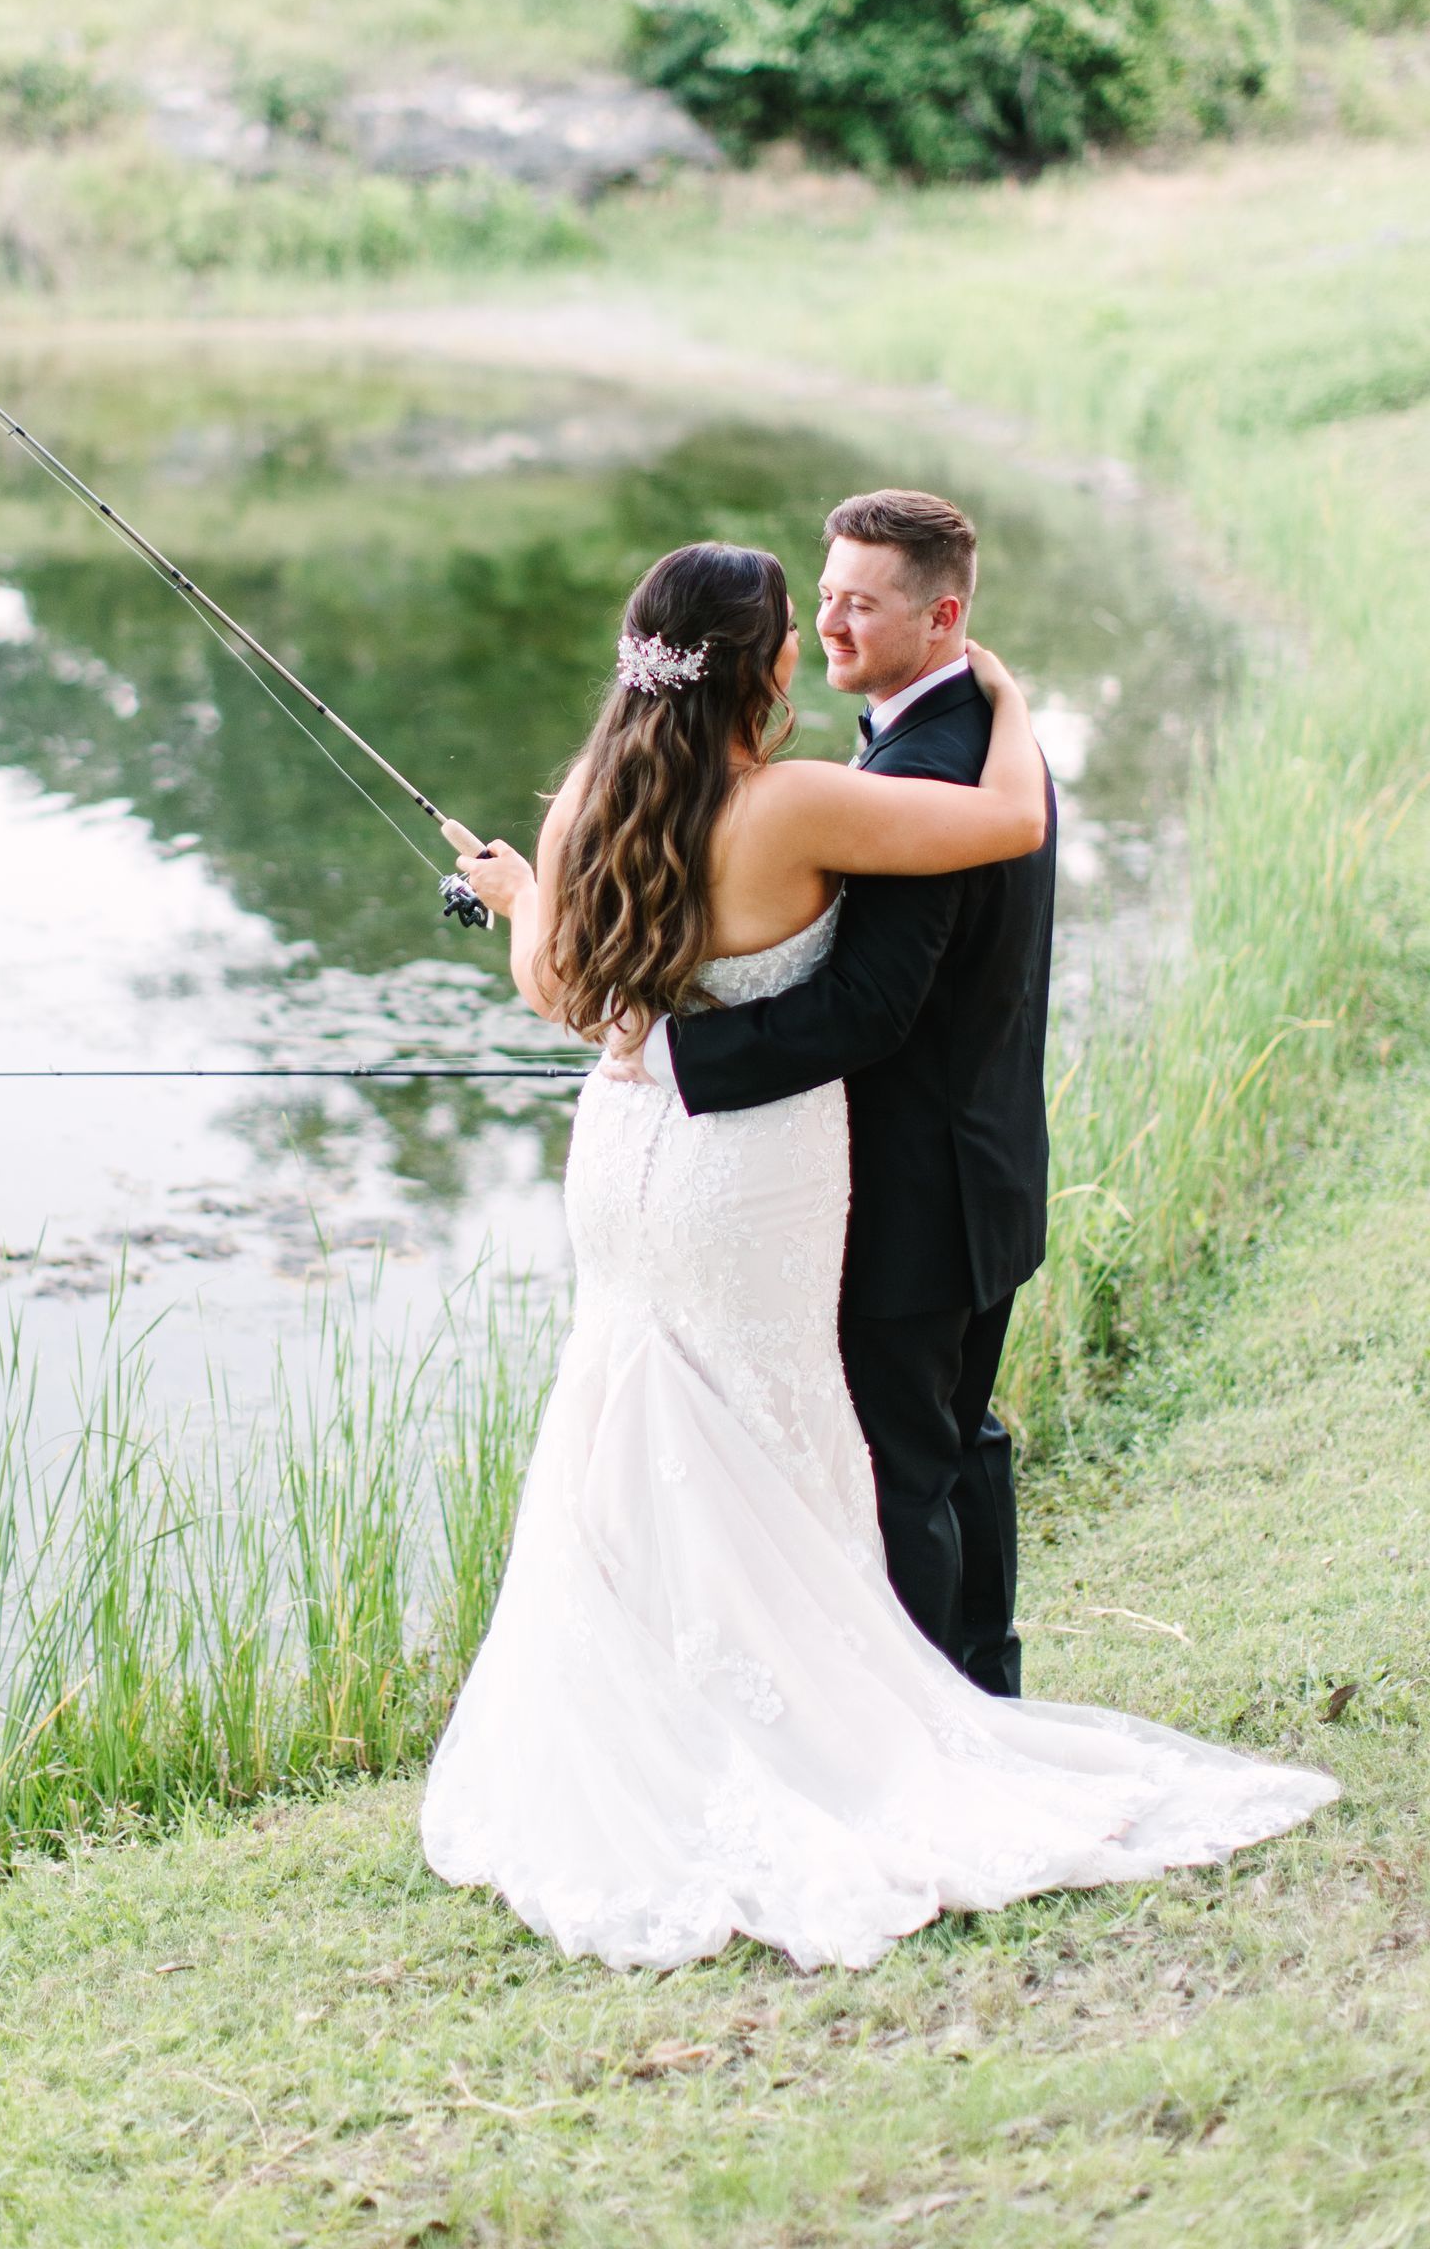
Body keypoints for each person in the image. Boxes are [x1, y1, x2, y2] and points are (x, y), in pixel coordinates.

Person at [421, 537, 1334, 1972]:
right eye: (802, 624)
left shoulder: (593, 795)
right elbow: (1005, 822)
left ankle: (648, 1731)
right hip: (748, 1175)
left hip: (620, 1161)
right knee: (775, 1424)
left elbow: (564, 992)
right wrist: (1010, 701)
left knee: (623, 1410)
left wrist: (523, 892)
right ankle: (825, 1730)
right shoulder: (796, 804)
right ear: (771, 664)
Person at [611, 489, 1050, 1699]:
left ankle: (939, 1726)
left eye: (862, 605)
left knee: (907, 1470)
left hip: (918, 1188)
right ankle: (987, 1690)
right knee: (961, 1445)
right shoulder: (969, 732)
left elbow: (865, 1012)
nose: (833, 629)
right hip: (987, 1168)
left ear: (944, 614)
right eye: (828, 600)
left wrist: (675, 1059)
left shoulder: (926, 771)